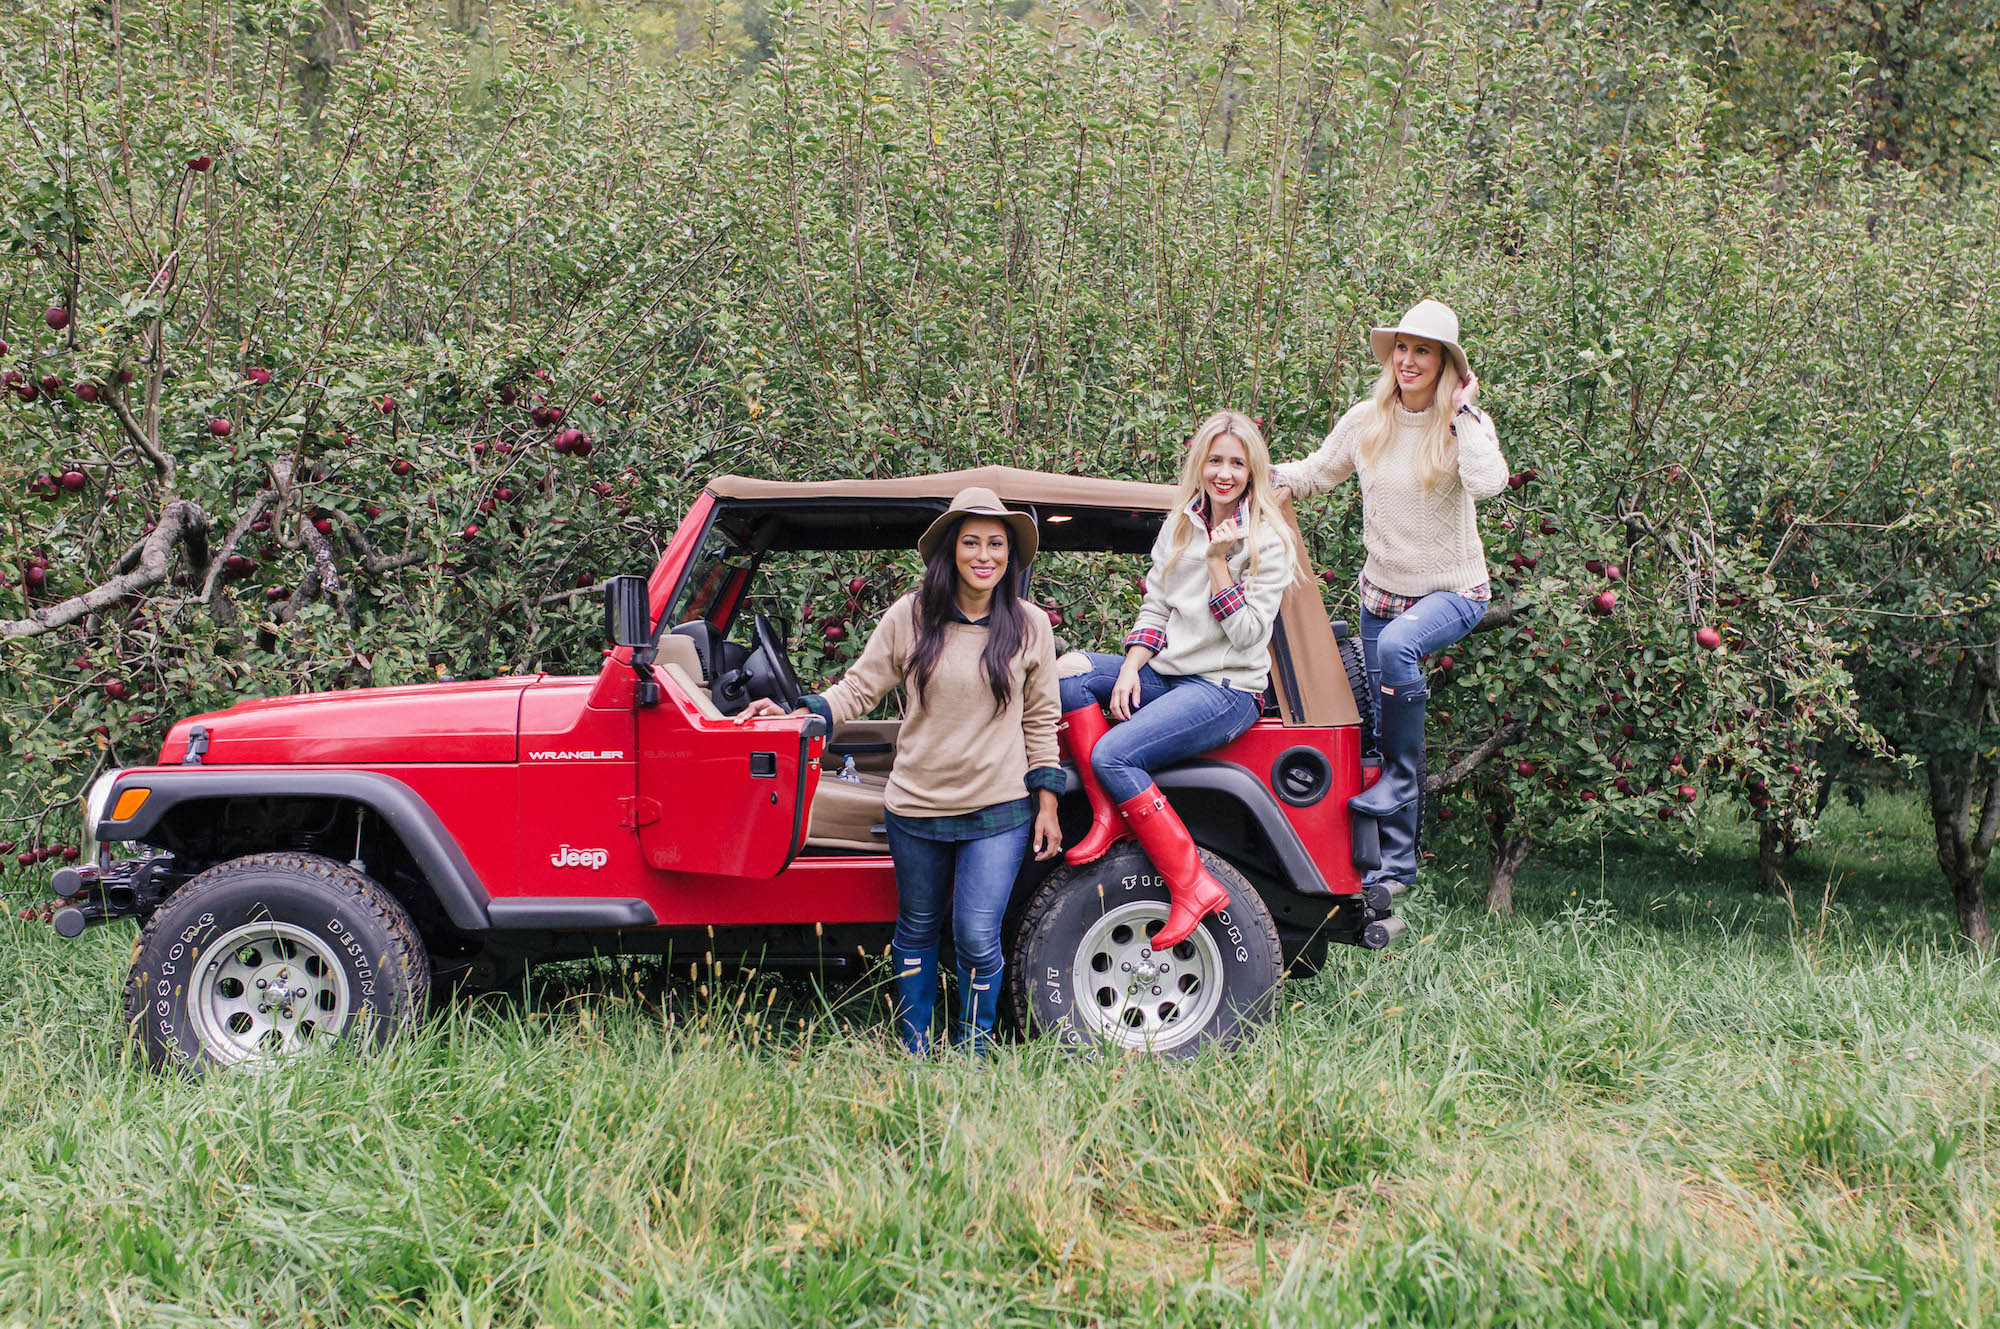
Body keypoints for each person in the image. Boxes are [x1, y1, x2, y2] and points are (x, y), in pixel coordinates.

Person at [738, 487, 1062, 1054]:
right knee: (915, 927)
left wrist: (1048, 802)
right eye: (971, 543)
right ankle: (915, 1048)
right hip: (917, 806)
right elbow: (860, 688)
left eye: (996, 544)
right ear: (950, 551)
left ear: (1009, 556)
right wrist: (799, 713)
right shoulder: (910, 617)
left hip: (999, 807)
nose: (984, 555)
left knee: (977, 935)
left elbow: (1041, 717)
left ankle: (973, 1053)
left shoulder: (1030, 624)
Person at [1271, 298, 1507, 892]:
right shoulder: (1367, 419)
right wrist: (1259, 476)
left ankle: (1402, 784)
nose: (1408, 360)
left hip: (1454, 591)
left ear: (1446, 363)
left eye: (1423, 350)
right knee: (1379, 728)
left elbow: (1489, 483)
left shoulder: (1462, 425)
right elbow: (1316, 474)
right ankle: (1394, 868)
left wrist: (1465, 413)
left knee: (1399, 649)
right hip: (1381, 595)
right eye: (1402, 348)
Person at [1056, 411, 1301, 951]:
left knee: (1114, 754)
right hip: (1171, 674)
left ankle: (1192, 884)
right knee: (1066, 673)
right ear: (1201, 463)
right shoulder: (1181, 522)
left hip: (1226, 691)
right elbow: (1158, 604)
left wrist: (1218, 565)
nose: (1224, 473)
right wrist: (1129, 667)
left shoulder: (1267, 540)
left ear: (1252, 470)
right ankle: (1109, 815)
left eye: (1237, 463)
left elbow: (1246, 636)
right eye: (1215, 460)